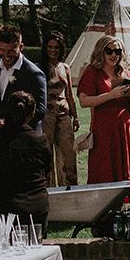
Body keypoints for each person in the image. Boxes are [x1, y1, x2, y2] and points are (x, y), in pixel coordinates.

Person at [77, 36, 130, 201]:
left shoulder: (124, 72)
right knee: (104, 164)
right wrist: (110, 95)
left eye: (118, 51)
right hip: (104, 127)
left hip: (124, 126)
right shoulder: (92, 71)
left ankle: (122, 203)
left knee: (123, 164)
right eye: (109, 51)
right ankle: (102, 202)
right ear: (101, 51)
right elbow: (84, 101)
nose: (114, 55)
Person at [0, 91, 51, 232]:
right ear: (32, 114)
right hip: (38, 206)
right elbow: (47, 169)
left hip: (6, 209)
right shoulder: (40, 140)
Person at [39, 31, 78, 186]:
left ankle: (69, 188)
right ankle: (47, 189)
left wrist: (75, 116)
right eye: (50, 47)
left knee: (68, 153)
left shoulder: (65, 67)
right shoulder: (39, 67)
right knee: (46, 153)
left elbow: (69, 94)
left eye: (56, 47)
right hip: (46, 114)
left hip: (64, 113)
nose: (53, 50)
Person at [0, 25, 47, 129]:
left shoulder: (33, 74)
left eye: (11, 51)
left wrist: (9, 122)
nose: (6, 55)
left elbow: (40, 110)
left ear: (21, 47)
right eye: (2, 50)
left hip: (21, 137)